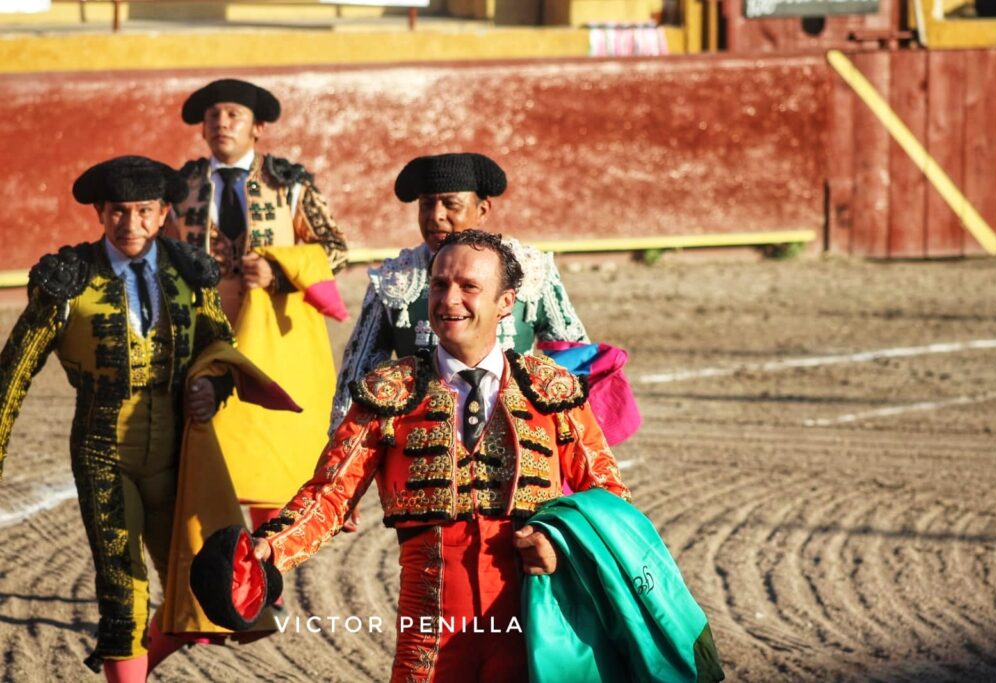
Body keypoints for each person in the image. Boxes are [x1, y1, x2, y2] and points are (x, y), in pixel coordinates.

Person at [251, 230, 630, 682]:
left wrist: (562, 545)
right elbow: (330, 495)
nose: (449, 299)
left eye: (469, 287)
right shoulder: (388, 393)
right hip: (428, 635)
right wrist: (268, 550)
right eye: (439, 284)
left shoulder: (550, 391)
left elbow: (609, 498)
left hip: (536, 630)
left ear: (505, 302)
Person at [0, 156, 236, 681]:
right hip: (103, 453)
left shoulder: (188, 271)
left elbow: (222, 345)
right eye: (118, 212)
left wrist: (214, 385)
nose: (130, 224)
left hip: (178, 454)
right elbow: (13, 373)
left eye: (143, 211)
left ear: (162, 214)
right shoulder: (68, 280)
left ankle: (131, 667)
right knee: (123, 591)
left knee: (201, 590)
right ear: (101, 214)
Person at [167, 78, 350, 532]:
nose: (221, 123)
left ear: (257, 128)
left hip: (270, 342)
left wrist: (281, 271)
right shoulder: (181, 187)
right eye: (213, 116)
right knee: (205, 464)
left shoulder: (289, 183)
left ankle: (269, 586)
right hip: (201, 338)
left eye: (233, 115)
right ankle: (215, 585)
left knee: (270, 461)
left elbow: (336, 249)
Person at [330, 152, 589, 436]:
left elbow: (577, 362)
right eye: (426, 205)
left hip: (521, 434)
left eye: (451, 204)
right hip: (423, 442)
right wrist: (344, 446)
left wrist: (573, 441)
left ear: (483, 210)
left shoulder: (531, 270)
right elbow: (356, 380)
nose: (436, 216)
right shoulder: (395, 279)